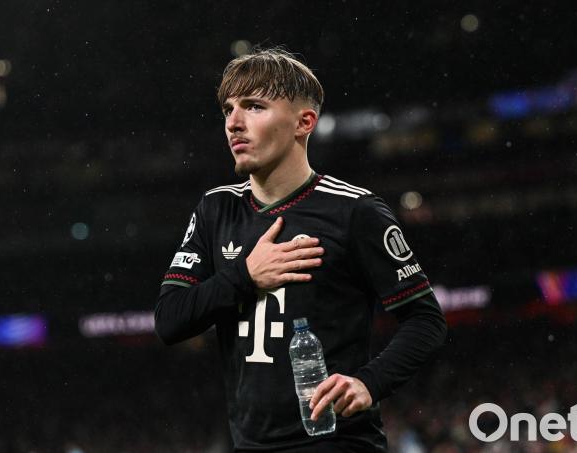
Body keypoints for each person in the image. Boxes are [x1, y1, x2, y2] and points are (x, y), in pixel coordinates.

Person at [154, 47, 447, 452]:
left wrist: (369, 382)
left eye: (254, 106)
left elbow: (425, 319)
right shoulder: (215, 209)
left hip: (337, 444)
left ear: (303, 122)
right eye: (227, 109)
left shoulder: (354, 211)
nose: (234, 123)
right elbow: (170, 320)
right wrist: (245, 275)